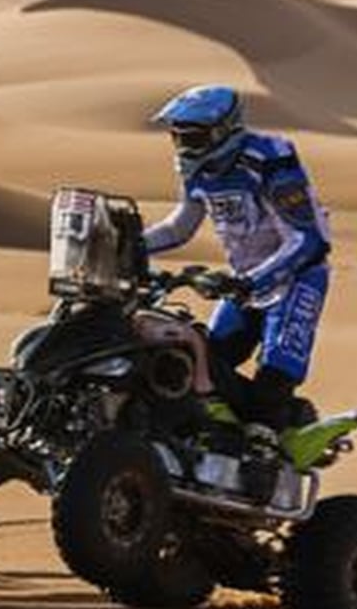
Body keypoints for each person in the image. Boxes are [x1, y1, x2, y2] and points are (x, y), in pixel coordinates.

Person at [141, 84, 332, 433]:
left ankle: (285, 424)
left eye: (193, 137)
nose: (184, 147)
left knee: (272, 385)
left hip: (295, 281)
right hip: (243, 282)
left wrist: (248, 282)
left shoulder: (269, 160)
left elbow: (308, 240)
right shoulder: (197, 171)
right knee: (205, 366)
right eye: (178, 137)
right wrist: (128, 244)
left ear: (222, 131)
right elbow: (179, 227)